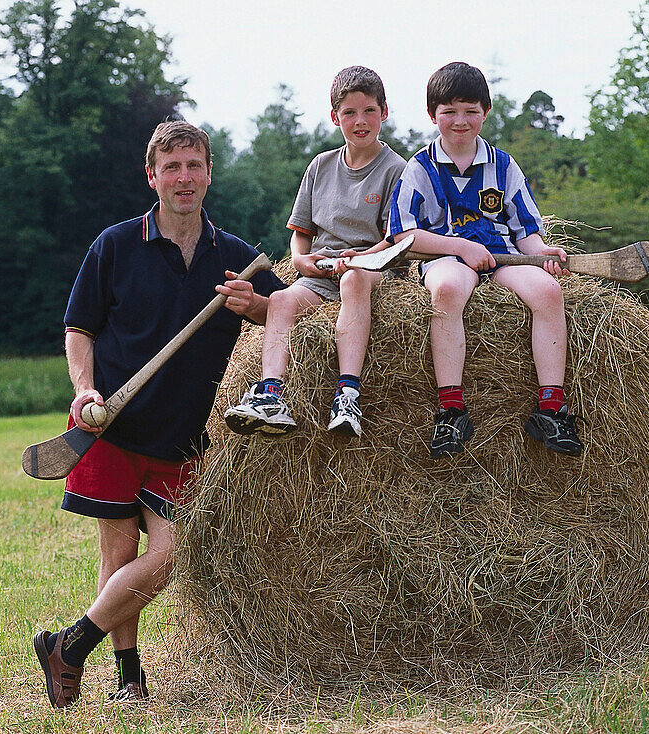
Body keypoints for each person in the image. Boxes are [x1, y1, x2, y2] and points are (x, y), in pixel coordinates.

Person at [33, 120, 284, 708]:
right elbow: (80, 328)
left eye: (194, 165)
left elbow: (290, 317)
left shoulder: (238, 260)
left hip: (184, 439)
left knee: (173, 555)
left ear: (209, 174)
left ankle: (69, 646)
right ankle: (128, 675)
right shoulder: (116, 245)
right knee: (119, 555)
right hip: (112, 428)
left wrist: (259, 305)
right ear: (152, 176)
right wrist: (85, 389)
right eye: (172, 167)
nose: (185, 177)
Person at [385, 61, 583, 457]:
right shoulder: (420, 167)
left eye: (471, 111)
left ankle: (550, 409)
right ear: (432, 115)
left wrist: (543, 253)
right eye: (450, 112)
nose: (461, 121)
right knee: (446, 290)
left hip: (502, 254)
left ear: (486, 113)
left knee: (548, 291)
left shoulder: (503, 164)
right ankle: (451, 409)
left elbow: (525, 230)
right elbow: (403, 234)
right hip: (444, 254)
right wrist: (459, 247)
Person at [223, 66, 406, 439]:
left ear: (384, 112)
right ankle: (270, 395)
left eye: (369, 111)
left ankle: (347, 394)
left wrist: (355, 261)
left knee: (354, 280)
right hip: (321, 272)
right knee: (280, 300)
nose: (360, 121)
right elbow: (300, 233)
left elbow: (393, 241)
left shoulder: (396, 169)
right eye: (350, 113)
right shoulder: (320, 166)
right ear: (334, 116)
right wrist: (299, 260)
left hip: (372, 268)